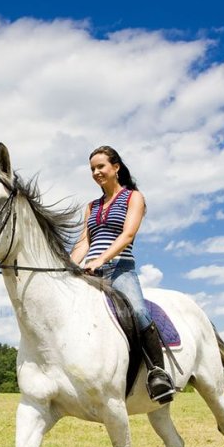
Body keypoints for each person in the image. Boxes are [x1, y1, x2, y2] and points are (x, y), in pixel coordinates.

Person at [70, 145, 176, 404]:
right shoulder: (91, 206)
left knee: (138, 311)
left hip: (120, 270)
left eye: (101, 166)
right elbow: (84, 242)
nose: (96, 172)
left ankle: (157, 373)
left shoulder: (133, 197)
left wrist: (101, 259)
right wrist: (69, 265)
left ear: (115, 167)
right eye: (92, 169)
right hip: (92, 271)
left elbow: (127, 234)